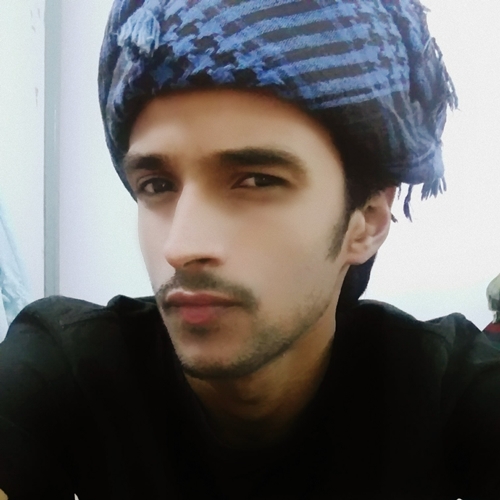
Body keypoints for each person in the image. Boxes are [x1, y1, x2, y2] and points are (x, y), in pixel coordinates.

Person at [1, 1, 500, 499]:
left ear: (366, 221)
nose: (181, 247)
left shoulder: (446, 388)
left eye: (257, 180)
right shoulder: (65, 368)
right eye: (156, 185)